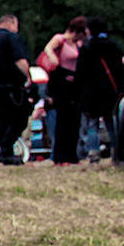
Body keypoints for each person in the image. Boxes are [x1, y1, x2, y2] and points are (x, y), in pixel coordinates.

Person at [0, 14, 33, 165]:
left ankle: (5, 152)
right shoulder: (11, 38)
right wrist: (28, 76)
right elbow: (20, 60)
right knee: (20, 118)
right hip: (12, 85)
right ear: (12, 23)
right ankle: (6, 147)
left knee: (2, 120)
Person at [75, 16, 124, 161]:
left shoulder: (87, 48)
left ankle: (93, 152)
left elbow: (80, 73)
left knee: (92, 125)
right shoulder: (113, 46)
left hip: (91, 93)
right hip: (110, 91)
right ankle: (117, 152)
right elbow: (119, 70)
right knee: (111, 123)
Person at [40, 16, 88, 165]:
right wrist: (52, 57)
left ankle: (72, 155)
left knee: (74, 120)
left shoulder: (78, 44)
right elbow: (48, 48)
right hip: (61, 82)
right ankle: (60, 156)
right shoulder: (60, 39)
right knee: (63, 120)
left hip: (74, 84)